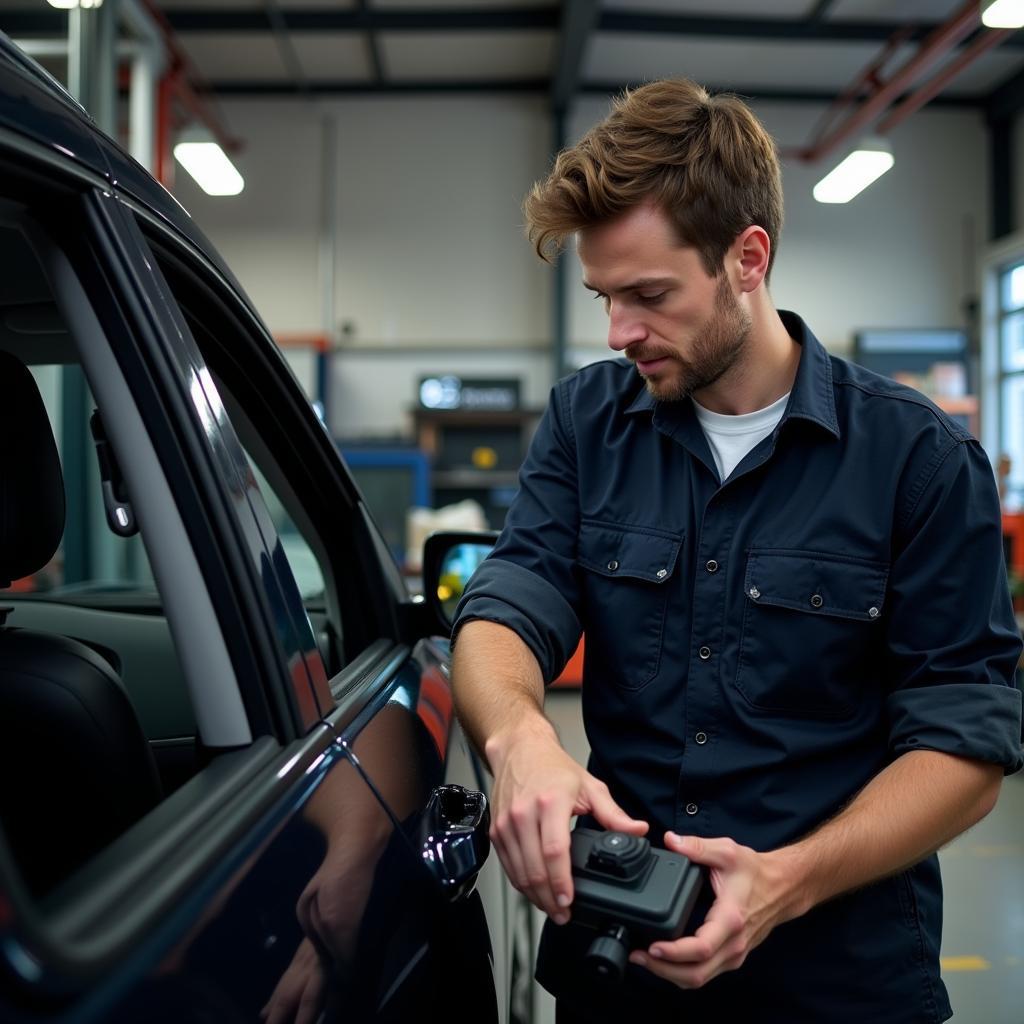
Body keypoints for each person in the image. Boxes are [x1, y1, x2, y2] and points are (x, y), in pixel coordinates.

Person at [449, 79, 1024, 1023]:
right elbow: (509, 600)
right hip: (621, 965)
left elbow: (965, 748)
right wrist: (521, 744)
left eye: (649, 295)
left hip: (841, 979)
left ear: (748, 258)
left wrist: (785, 883)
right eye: (603, 297)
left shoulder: (917, 461)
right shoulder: (586, 425)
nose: (617, 332)